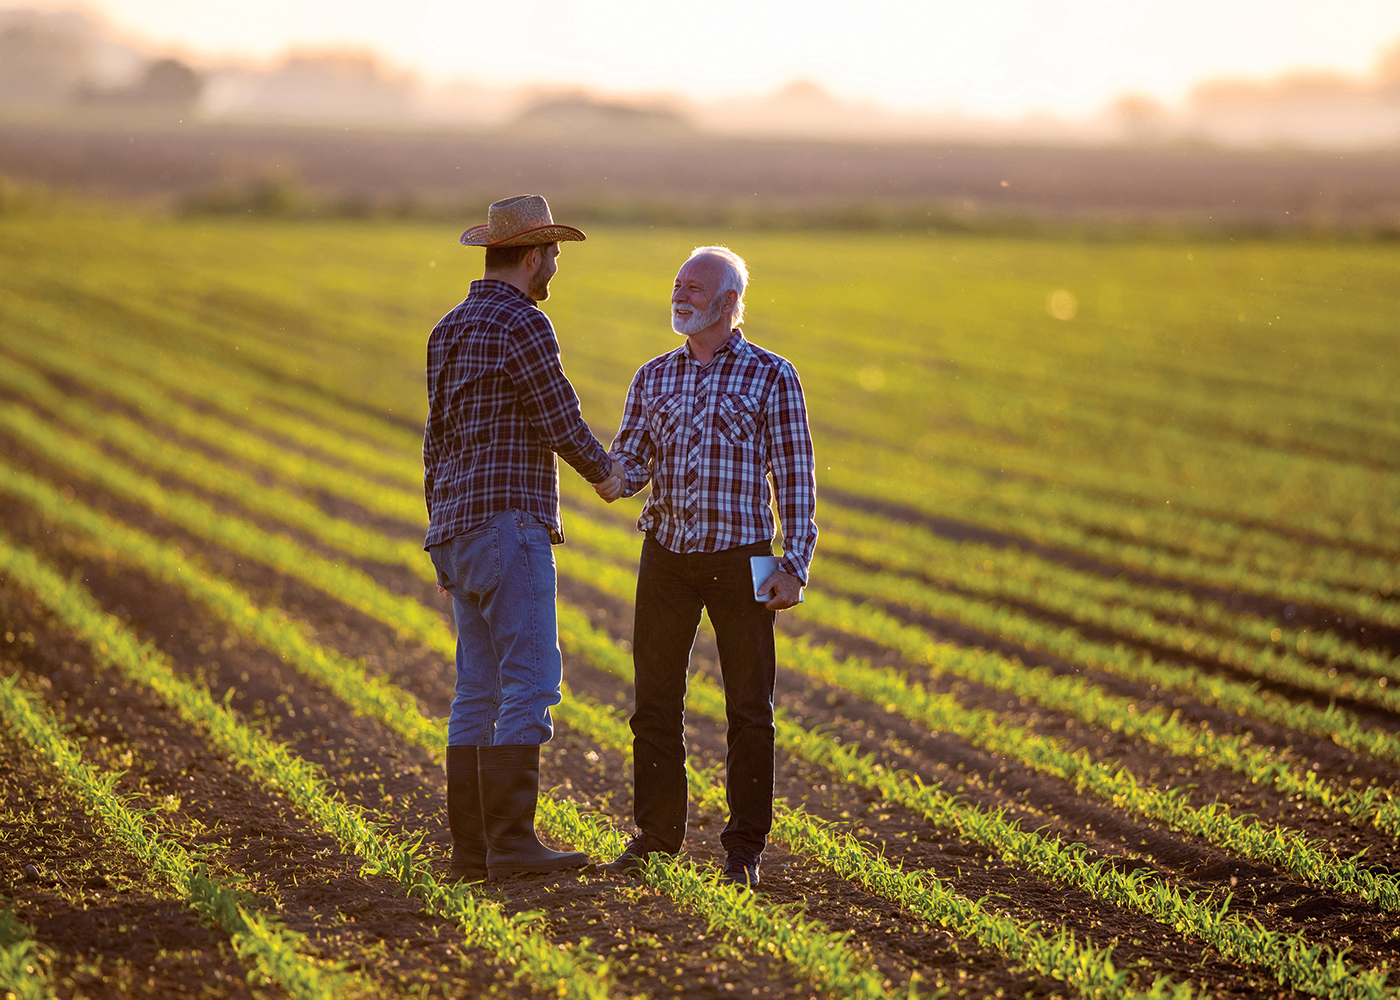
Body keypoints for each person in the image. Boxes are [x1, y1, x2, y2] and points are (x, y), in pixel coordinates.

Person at [601, 245, 817, 888]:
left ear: (728, 303)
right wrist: (607, 473)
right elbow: (632, 462)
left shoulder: (773, 376)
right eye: (677, 284)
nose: (680, 294)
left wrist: (793, 565)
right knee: (653, 704)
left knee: (750, 709)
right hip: (665, 556)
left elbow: (797, 480)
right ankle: (657, 837)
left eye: (694, 287)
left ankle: (744, 848)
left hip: (743, 559)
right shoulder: (652, 377)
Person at [423, 194, 623, 881]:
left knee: (475, 689)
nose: (556, 269)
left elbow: (435, 440)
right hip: (509, 523)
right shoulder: (523, 323)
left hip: (456, 529)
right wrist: (608, 475)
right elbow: (559, 418)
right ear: (534, 255)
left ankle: (471, 851)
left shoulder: (447, 327)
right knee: (530, 682)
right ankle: (510, 844)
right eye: (555, 256)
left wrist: (439, 532)